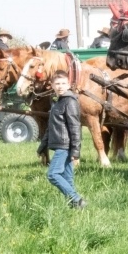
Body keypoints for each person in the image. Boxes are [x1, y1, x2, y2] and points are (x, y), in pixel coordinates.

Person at [37, 71, 86, 208]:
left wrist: (76, 150)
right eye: (57, 84)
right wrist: (43, 146)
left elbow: (75, 127)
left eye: (63, 83)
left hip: (64, 146)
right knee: (67, 177)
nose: (60, 86)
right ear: (52, 85)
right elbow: (50, 128)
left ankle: (76, 198)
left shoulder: (70, 101)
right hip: (61, 145)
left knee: (53, 174)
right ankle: (75, 207)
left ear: (69, 84)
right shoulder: (58, 102)